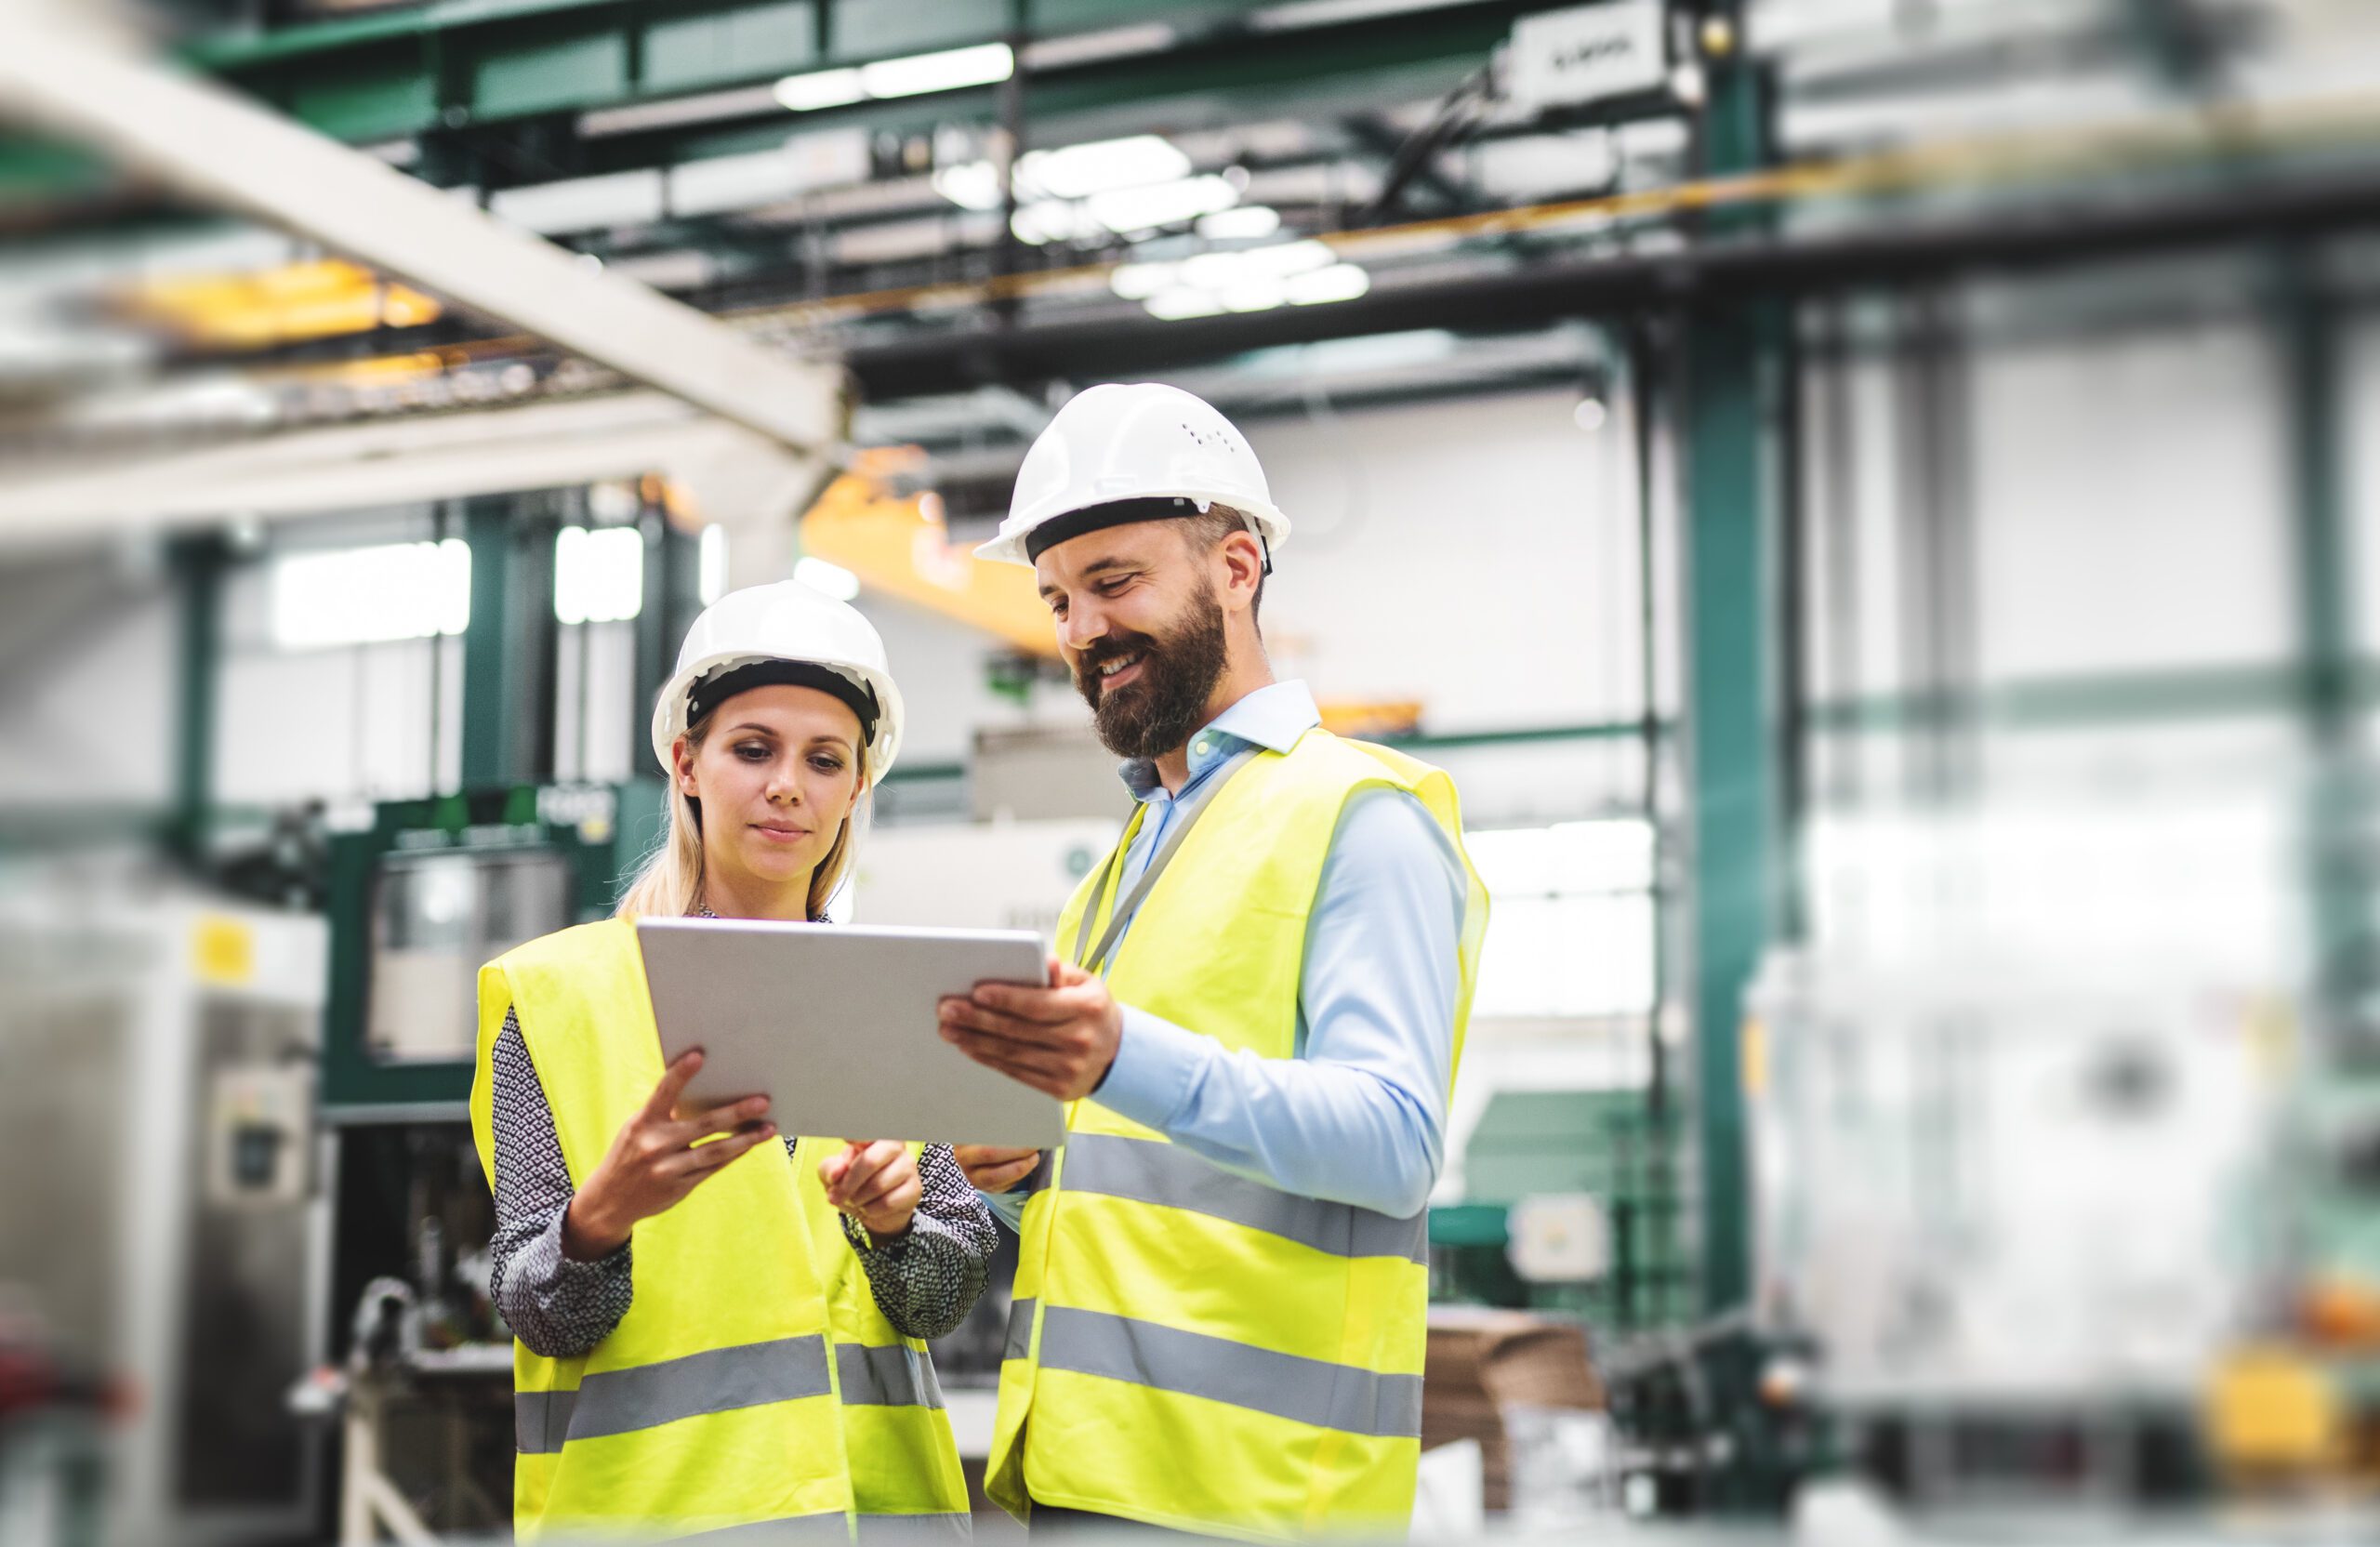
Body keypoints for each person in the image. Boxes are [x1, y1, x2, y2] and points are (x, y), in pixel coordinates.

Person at [940, 383, 1488, 1539]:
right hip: (1091, 1474)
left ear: (1235, 566)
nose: (1081, 630)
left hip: (1258, 1495)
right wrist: (1034, 1163)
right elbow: (1163, 1157)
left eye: (1114, 581)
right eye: (1056, 599)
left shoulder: (1362, 813)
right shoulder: (1128, 857)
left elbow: (1393, 1143)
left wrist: (1115, 1058)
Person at [469, 579, 995, 1541]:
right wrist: (597, 1220)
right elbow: (537, 1311)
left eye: (823, 758)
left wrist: (897, 1225)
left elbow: (944, 1296)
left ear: (855, 786)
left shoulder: (898, 993)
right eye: (753, 748)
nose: (788, 783)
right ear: (688, 762)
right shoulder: (559, 997)